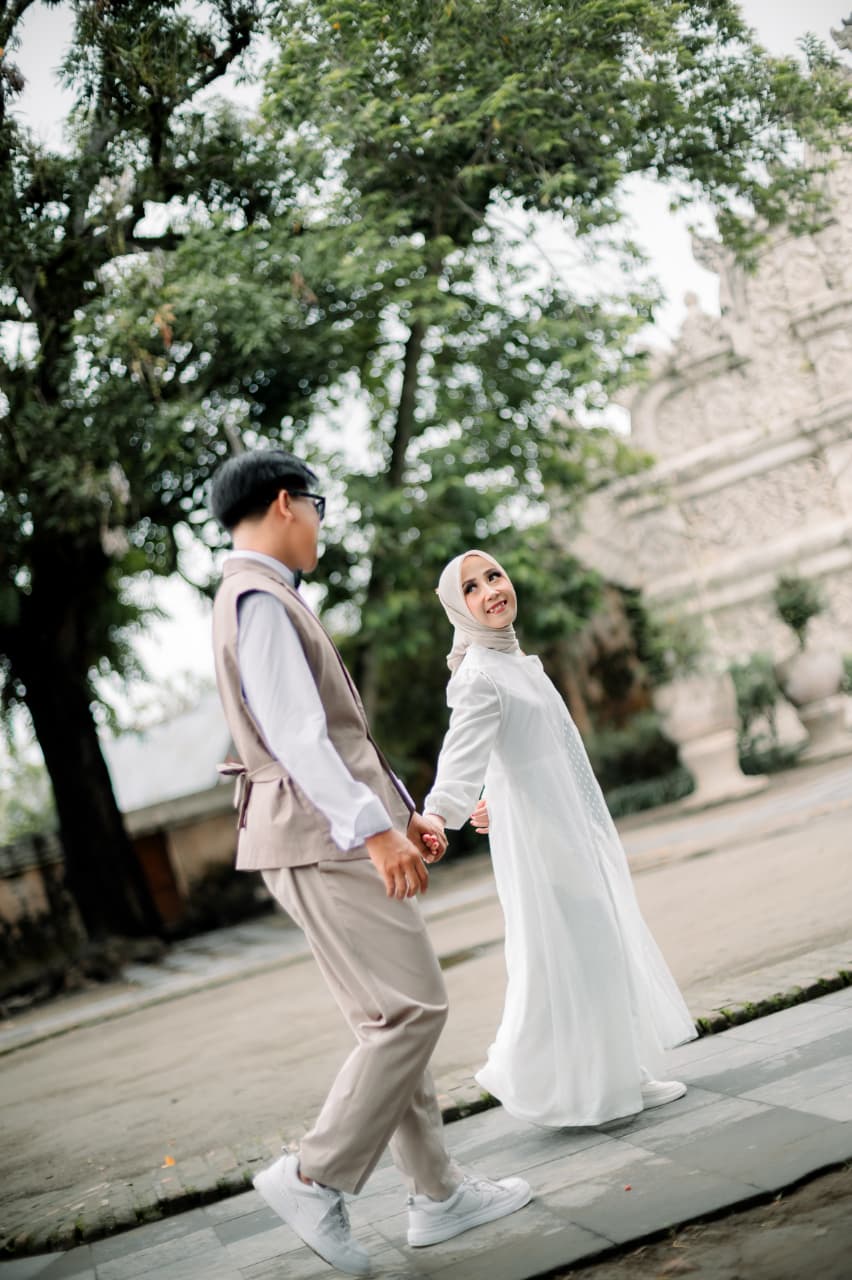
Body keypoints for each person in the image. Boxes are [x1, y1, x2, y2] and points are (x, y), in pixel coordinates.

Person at [209, 454, 531, 1276]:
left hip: (319, 833)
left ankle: (437, 1195)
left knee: (387, 1018)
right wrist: (373, 834)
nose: (321, 524)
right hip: (324, 837)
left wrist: (398, 815)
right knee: (414, 1010)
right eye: (317, 507)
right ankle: (313, 1176)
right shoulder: (259, 598)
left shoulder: (257, 595)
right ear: (286, 503)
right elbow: (300, 737)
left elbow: (332, 738)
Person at [423, 549, 697, 1130]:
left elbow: (520, 748)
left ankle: (613, 1073)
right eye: (471, 588)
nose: (490, 590)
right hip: (543, 840)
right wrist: (439, 816)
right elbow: (461, 755)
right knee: (575, 951)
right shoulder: (479, 674)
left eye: (494, 576)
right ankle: (557, 1077)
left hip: (569, 824)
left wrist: (495, 797)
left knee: (593, 947)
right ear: (457, 608)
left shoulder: (517, 662)